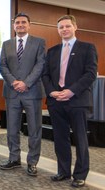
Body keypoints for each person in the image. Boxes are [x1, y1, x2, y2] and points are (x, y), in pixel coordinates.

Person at [42, 15, 97, 188]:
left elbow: (90, 74)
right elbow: (45, 75)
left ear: (75, 27)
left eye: (67, 26)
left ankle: (80, 174)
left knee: (80, 139)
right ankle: (63, 171)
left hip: (77, 101)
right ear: (58, 30)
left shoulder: (87, 48)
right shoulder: (52, 51)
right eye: (61, 27)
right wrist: (52, 91)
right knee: (60, 138)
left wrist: (71, 91)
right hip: (56, 101)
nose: (64, 29)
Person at [0, 13, 46, 176]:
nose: (20, 25)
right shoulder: (6, 44)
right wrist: (14, 82)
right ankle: (14, 159)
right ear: (13, 26)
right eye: (17, 22)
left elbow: (40, 65)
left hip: (32, 92)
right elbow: (2, 66)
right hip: (12, 92)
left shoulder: (39, 42)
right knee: (12, 129)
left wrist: (26, 83)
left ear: (29, 25)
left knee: (34, 129)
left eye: (23, 22)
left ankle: (32, 162)